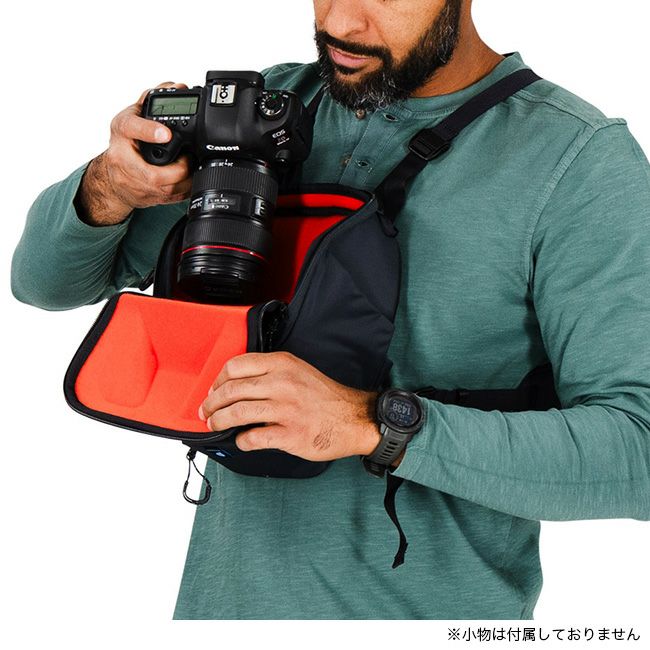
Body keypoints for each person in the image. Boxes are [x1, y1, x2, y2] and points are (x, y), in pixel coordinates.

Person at [11, 0, 650, 619]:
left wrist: (374, 423)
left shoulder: (577, 161)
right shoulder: (273, 111)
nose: (340, 22)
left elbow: (638, 453)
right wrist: (109, 185)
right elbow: (45, 284)